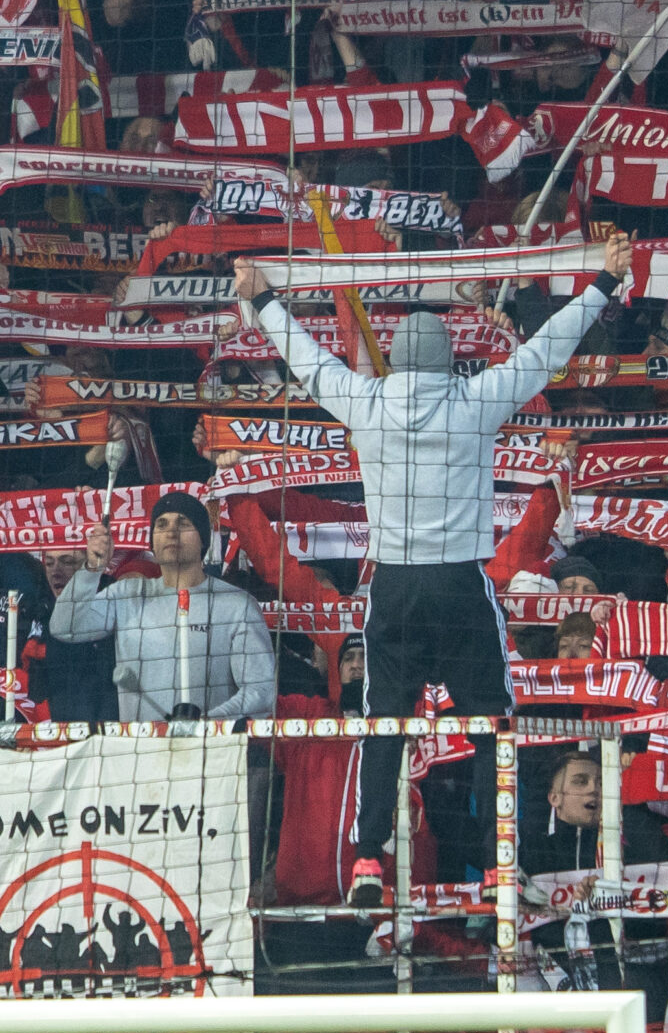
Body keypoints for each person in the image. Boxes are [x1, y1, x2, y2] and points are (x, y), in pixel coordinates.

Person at [229, 242, 630, 906]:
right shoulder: (475, 400)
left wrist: (261, 296)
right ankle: (501, 861)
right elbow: (546, 351)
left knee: (383, 722)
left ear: (397, 356)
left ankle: (365, 860)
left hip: (393, 587)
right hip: (457, 584)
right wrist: (604, 283)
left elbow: (307, 361)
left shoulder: (366, 402)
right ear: (449, 358)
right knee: (488, 726)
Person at [50, 492, 275, 723]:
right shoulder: (128, 594)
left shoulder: (237, 605)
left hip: (209, 751)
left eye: (183, 523)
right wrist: (91, 570)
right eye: (162, 524)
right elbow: (65, 628)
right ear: (152, 542)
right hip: (139, 752)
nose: (171, 532)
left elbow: (261, 693)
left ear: (203, 540)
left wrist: (206, 724)